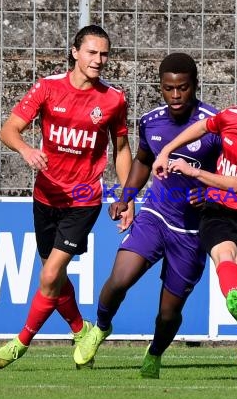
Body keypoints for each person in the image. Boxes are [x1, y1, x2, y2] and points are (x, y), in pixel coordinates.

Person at [0, 24, 133, 369]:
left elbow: (122, 149)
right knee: (56, 275)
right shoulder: (48, 88)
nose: (98, 60)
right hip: (46, 196)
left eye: (104, 54)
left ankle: (20, 344)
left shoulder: (113, 99)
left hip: (83, 198)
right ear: (75, 52)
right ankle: (82, 331)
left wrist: (128, 199)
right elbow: (9, 128)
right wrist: (25, 149)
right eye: (92, 52)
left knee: (50, 276)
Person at [73, 53, 220, 378]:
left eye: (183, 88)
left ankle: (155, 353)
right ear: (161, 88)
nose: (176, 95)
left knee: (168, 314)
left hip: (193, 234)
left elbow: (235, 174)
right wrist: (126, 197)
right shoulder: (151, 121)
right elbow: (142, 160)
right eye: (169, 88)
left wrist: (210, 194)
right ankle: (99, 328)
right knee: (119, 280)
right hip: (156, 214)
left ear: (194, 86)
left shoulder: (215, 125)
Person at [151, 79, 237, 382]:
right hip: (217, 211)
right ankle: (236, 299)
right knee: (225, 254)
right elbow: (203, 127)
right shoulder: (231, 117)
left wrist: (194, 172)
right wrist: (166, 150)